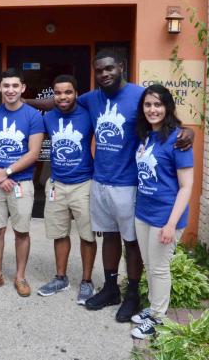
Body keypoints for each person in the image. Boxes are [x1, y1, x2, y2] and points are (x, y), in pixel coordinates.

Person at [80, 51, 193, 322]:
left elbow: (165, 119)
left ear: (121, 67)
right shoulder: (92, 98)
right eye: (99, 70)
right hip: (101, 180)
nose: (104, 74)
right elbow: (63, 101)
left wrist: (189, 131)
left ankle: (132, 294)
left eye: (109, 68)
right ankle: (110, 288)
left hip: (129, 184)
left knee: (131, 242)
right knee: (108, 235)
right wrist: (26, 99)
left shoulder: (140, 96)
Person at [130, 84, 194, 339]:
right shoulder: (146, 135)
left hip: (165, 216)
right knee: (150, 264)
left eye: (158, 104)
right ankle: (154, 308)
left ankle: (158, 318)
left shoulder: (178, 140)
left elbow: (186, 187)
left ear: (167, 107)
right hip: (144, 213)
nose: (153, 109)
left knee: (159, 268)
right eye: (148, 105)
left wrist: (171, 224)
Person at [0, 68, 45, 297]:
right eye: (6, 86)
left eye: (15, 86)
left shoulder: (34, 116)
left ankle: (20, 277)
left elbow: (33, 153)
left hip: (22, 183)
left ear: (23, 88)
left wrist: (6, 172)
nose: (10, 90)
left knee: (21, 232)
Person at [37, 75, 98, 305]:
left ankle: (86, 281)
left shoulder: (87, 114)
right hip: (57, 183)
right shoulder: (49, 118)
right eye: (58, 92)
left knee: (87, 235)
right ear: (53, 95)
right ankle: (60, 278)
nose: (63, 97)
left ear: (76, 93)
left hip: (84, 182)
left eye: (68, 92)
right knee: (59, 233)